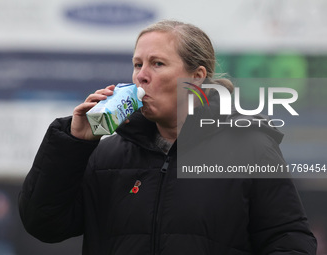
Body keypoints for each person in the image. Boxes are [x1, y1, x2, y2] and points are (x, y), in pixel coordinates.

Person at [18, 20, 317, 254]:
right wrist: (75, 142)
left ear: (197, 77)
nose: (141, 76)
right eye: (138, 64)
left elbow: (289, 241)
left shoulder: (249, 148)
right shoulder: (106, 155)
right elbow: (44, 224)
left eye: (157, 64)